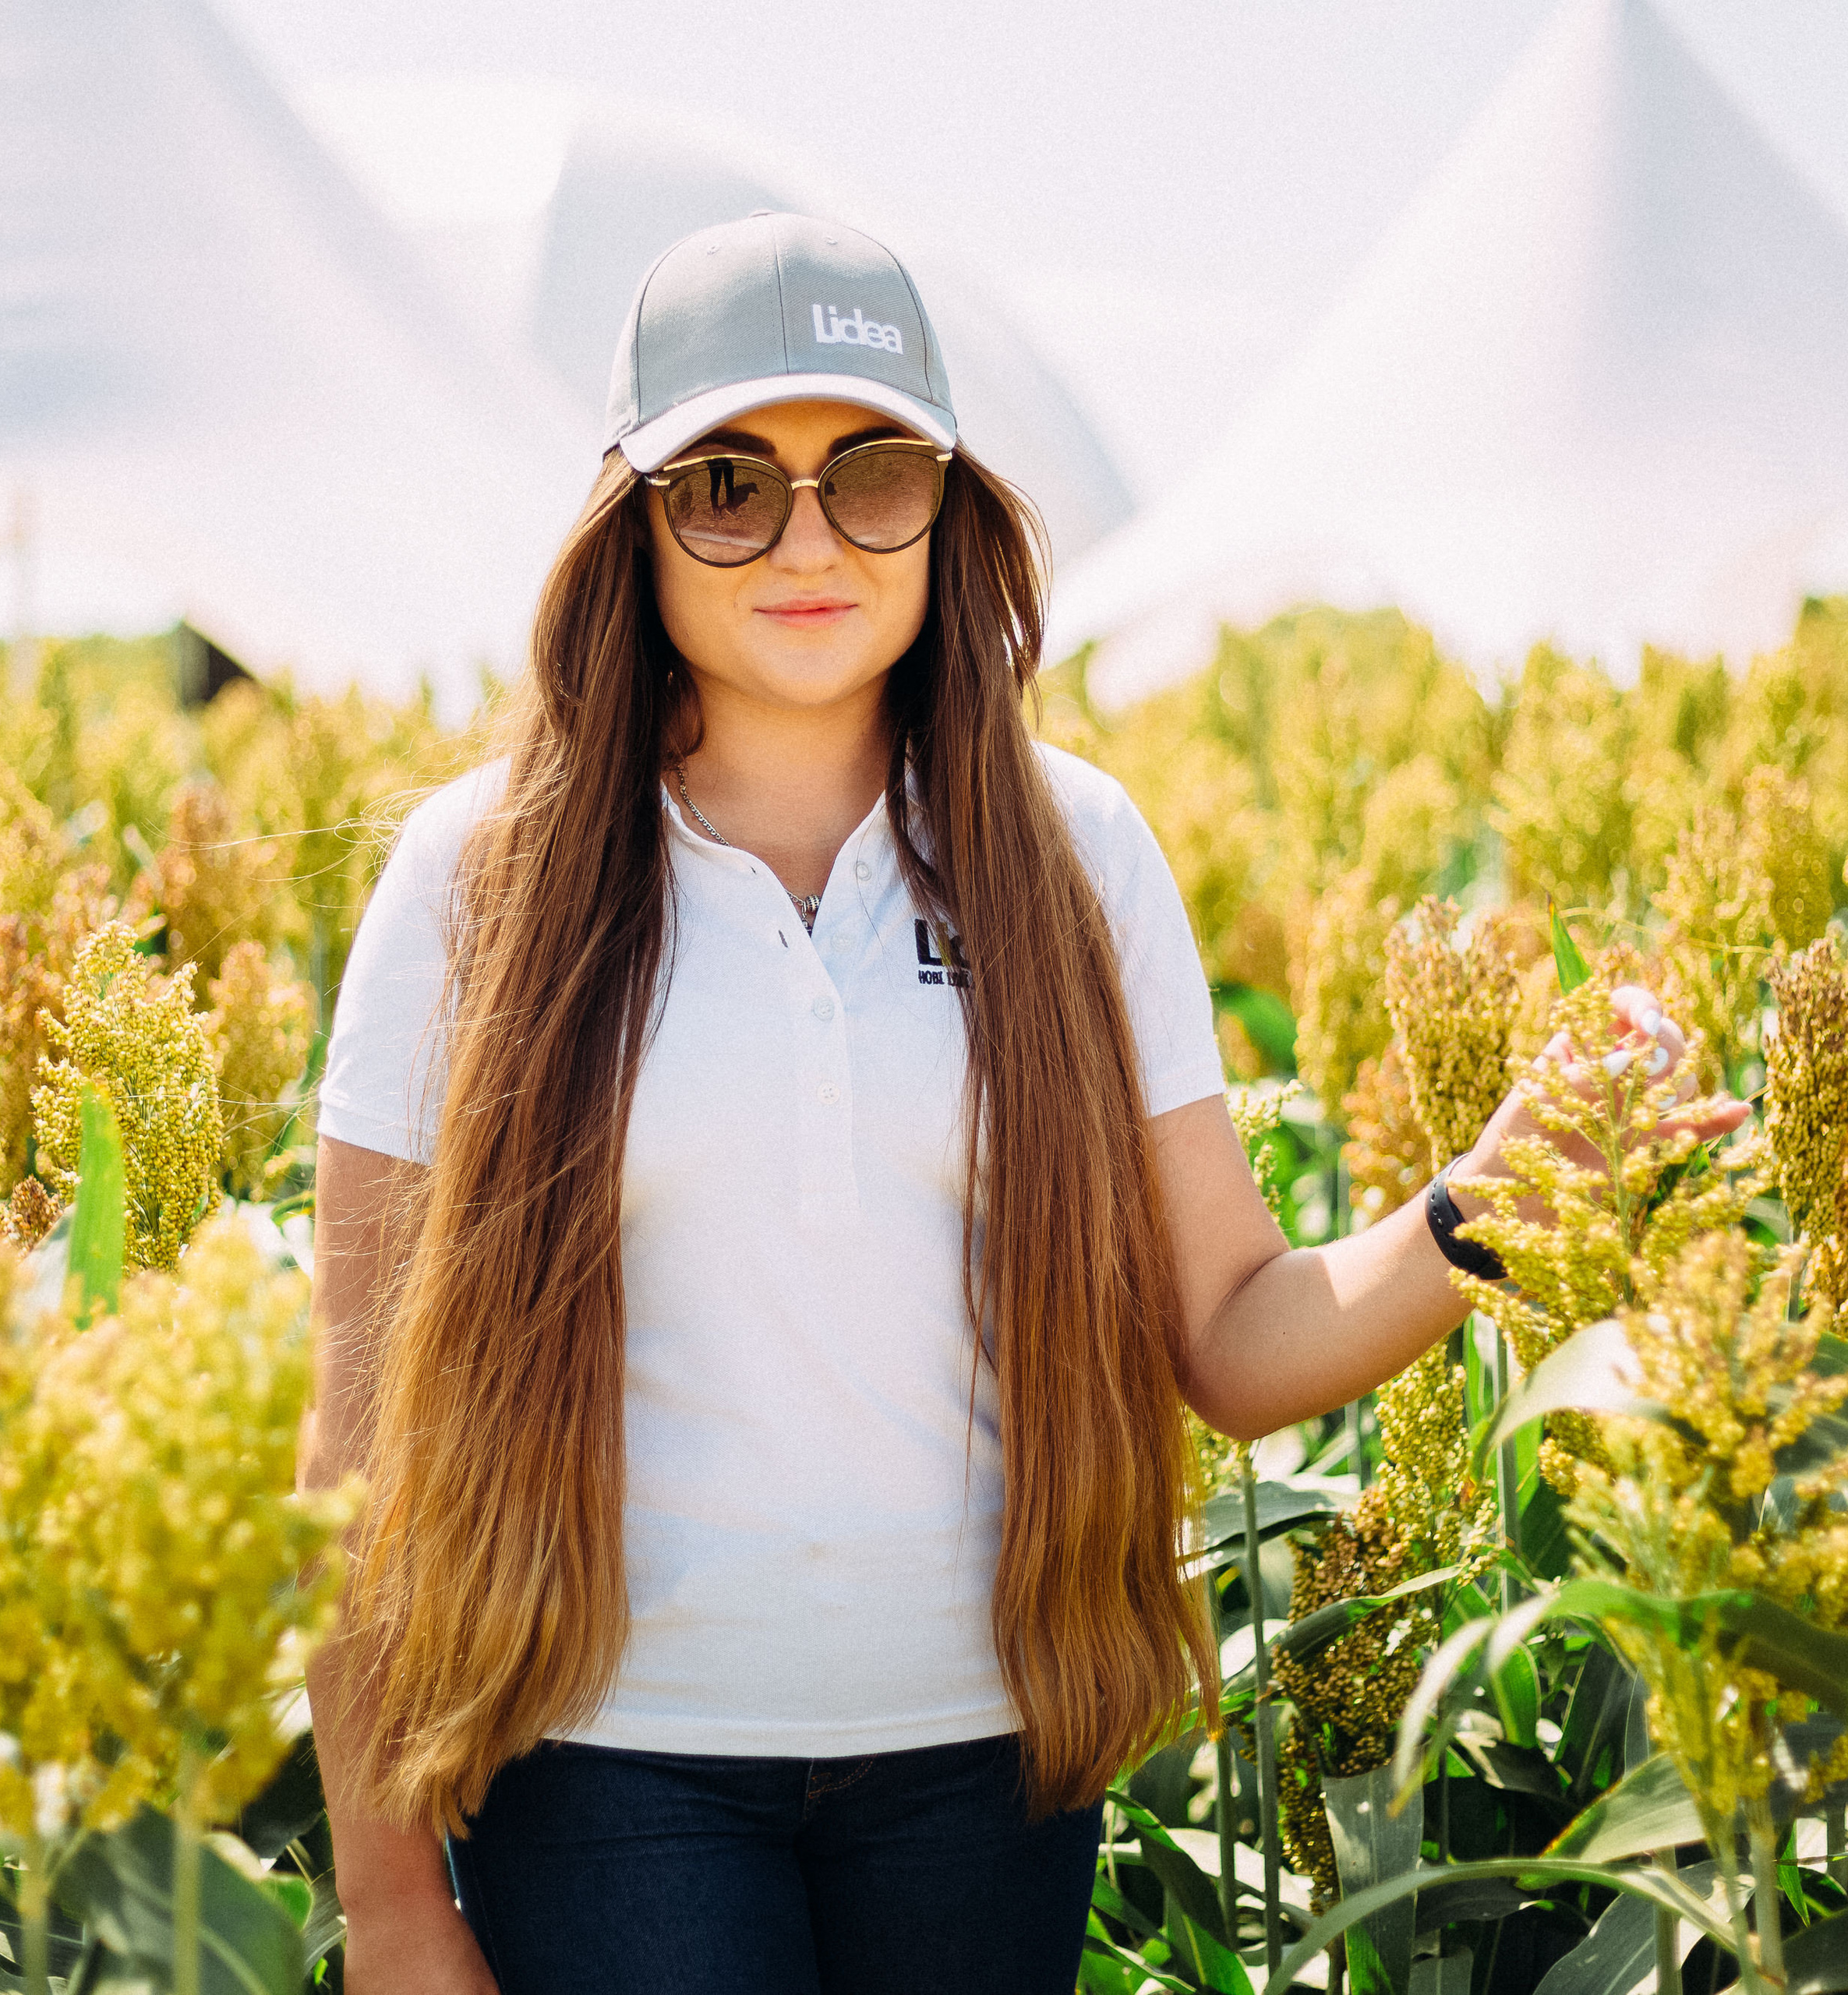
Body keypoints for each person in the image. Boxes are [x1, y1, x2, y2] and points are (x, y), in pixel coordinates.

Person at [299, 212, 1744, 1995]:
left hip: (986, 1769)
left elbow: (1227, 1332)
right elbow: (353, 1439)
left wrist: (1488, 1202)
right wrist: (390, 1900)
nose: (807, 540)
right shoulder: (478, 875)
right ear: (634, 520)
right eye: (728, 485)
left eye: (872, 475)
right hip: (600, 1765)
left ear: (945, 508)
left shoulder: (1074, 851)